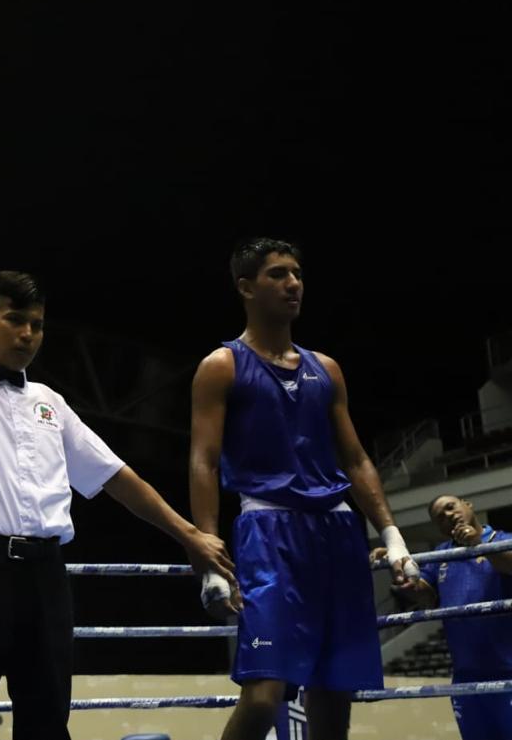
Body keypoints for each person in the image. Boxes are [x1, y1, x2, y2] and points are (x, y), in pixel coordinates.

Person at [0, 166, 235, 740]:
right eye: (16, 320)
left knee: (48, 723)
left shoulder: (50, 401)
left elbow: (117, 477)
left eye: (38, 325)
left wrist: (189, 536)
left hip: (47, 576)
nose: (28, 333)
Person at [188, 237, 419, 740]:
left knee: (334, 690)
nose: (292, 283)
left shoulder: (326, 368)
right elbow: (203, 460)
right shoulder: (221, 366)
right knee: (265, 691)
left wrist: (392, 532)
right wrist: (207, 551)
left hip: (338, 531)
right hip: (268, 532)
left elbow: (355, 458)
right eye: (277, 274)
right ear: (246, 286)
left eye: (296, 273)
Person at [388, 495, 512, 740]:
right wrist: (398, 566)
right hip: (465, 676)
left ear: (468, 504)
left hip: (509, 669)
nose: (448, 516)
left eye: (450, 507)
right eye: (440, 518)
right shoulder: (441, 555)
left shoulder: (502, 539)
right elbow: (425, 592)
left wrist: (479, 546)